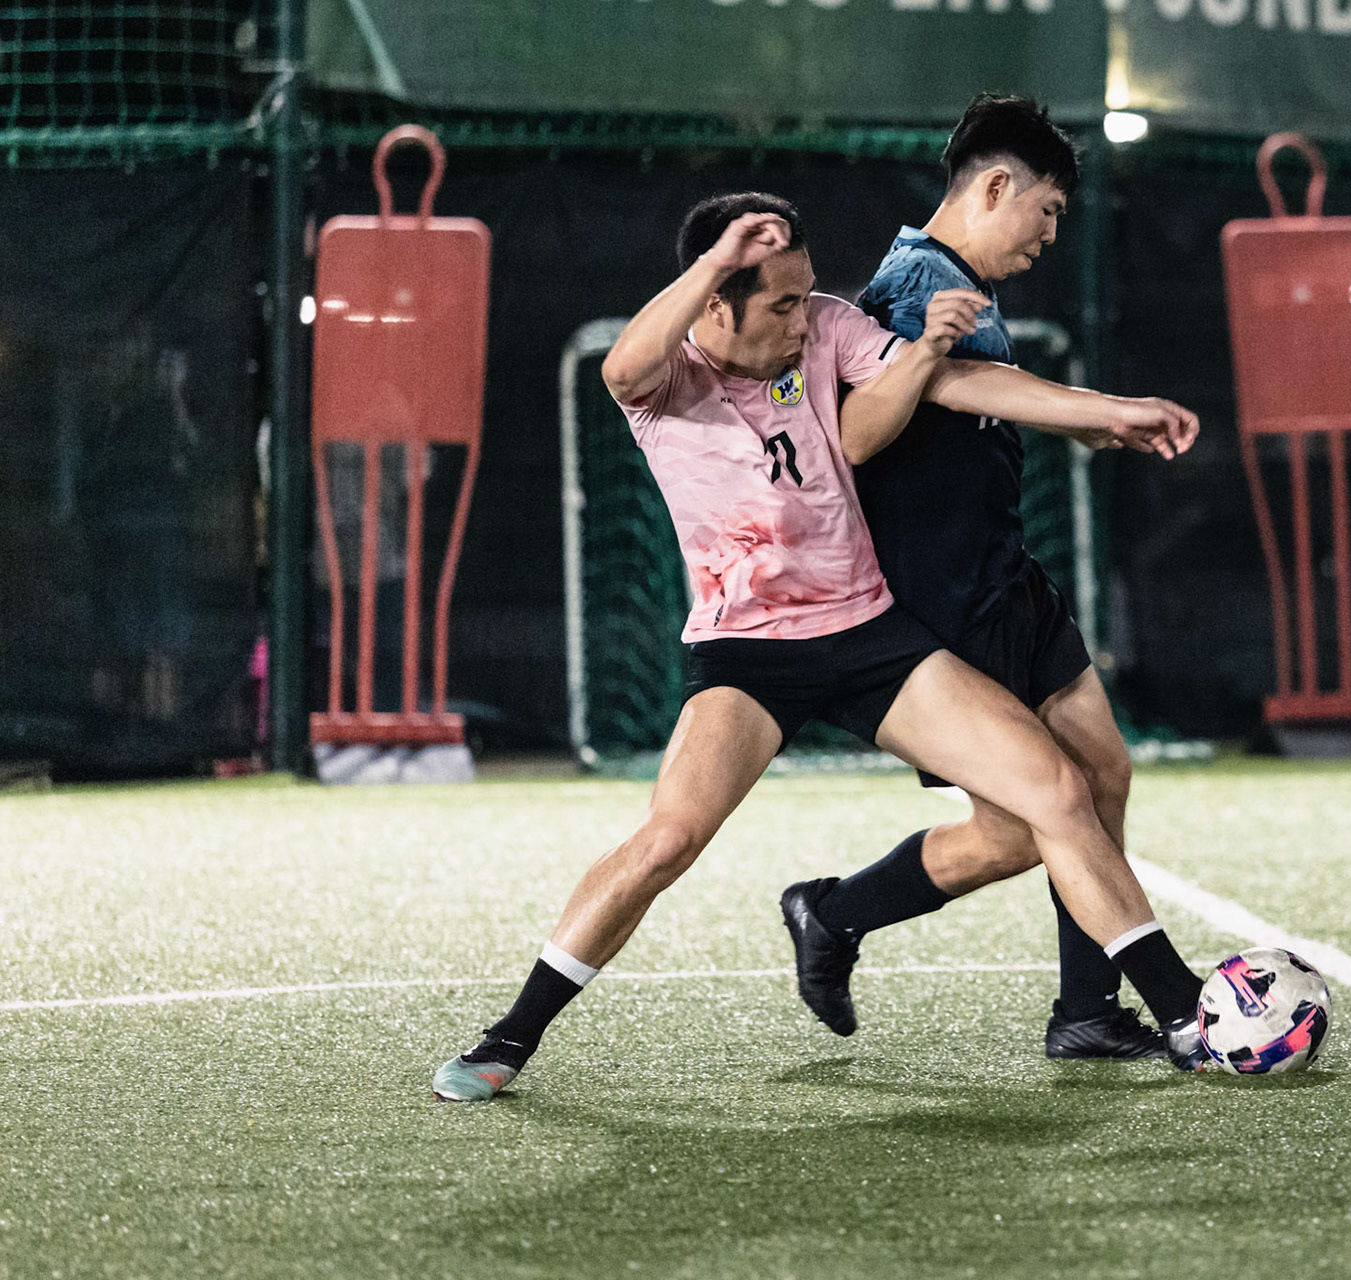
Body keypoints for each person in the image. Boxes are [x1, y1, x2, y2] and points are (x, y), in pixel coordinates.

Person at [431, 193, 1209, 1101]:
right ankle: (508, 1040)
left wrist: (1105, 410)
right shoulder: (670, 379)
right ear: (717, 298)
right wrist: (716, 259)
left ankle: (1188, 1015)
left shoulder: (830, 329)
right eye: (781, 303)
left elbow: (957, 384)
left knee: (1060, 791)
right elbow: (626, 362)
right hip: (748, 654)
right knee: (668, 839)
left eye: (807, 296)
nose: (805, 320)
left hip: (871, 633)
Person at [779, 96, 1195, 1061]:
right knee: (1026, 823)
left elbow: (968, 407)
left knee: (1103, 776)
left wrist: (1084, 420)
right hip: (939, 604)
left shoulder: (961, 284)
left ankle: (1086, 1013)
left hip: (1005, 581)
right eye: (1047, 210)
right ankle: (835, 914)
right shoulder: (911, 284)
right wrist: (1110, 407)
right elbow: (942, 395)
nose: (1053, 234)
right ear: (996, 186)